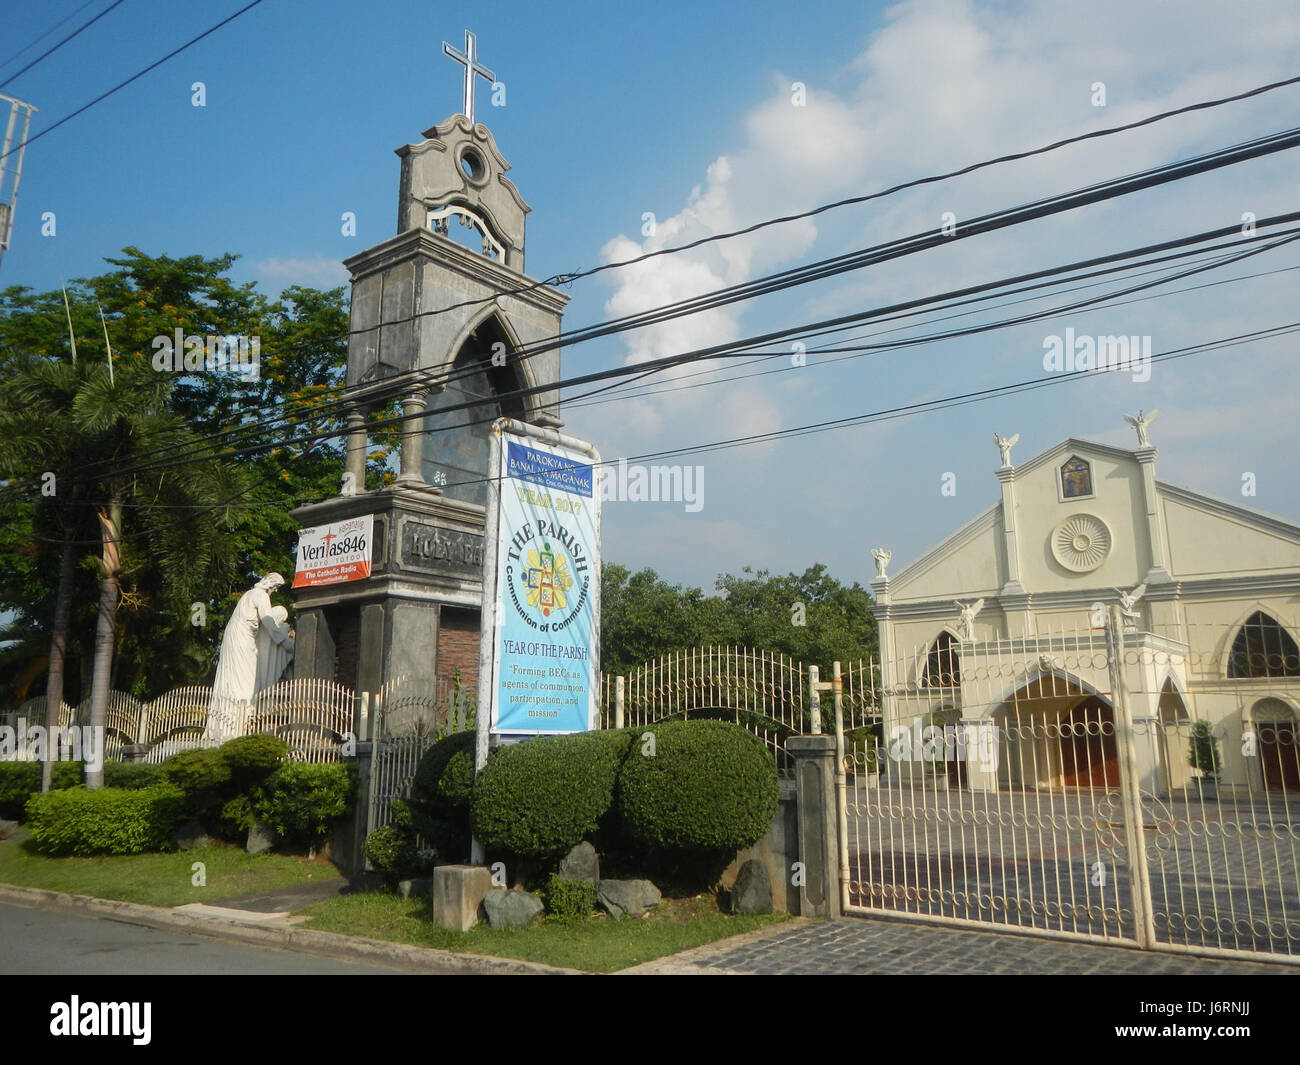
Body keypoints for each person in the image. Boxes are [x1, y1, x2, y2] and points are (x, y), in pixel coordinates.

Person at [204, 574, 291, 743]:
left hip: (237, 636)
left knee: (236, 679)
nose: (275, 590)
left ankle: (225, 724)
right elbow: (269, 623)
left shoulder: (248, 594)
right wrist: (284, 641)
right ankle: (233, 726)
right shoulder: (261, 595)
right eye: (276, 587)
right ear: (270, 584)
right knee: (245, 682)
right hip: (242, 639)